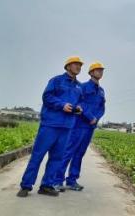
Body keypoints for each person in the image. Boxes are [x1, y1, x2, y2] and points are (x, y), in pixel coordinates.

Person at [17, 56, 85, 197]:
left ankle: (46, 186)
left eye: (80, 65)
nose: (78, 67)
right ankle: (26, 186)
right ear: (68, 66)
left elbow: (80, 103)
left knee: (57, 158)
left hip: (66, 127)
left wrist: (79, 108)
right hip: (51, 124)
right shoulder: (56, 81)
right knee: (38, 155)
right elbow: (47, 97)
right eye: (76, 64)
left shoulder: (79, 87)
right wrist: (62, 105)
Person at [55, 61, 106, 191]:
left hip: (90, 127)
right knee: (69, 151)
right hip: (79, 124)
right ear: (91, 73)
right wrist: (90, 117)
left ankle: (72, 180)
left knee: (80, 154)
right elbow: (79, 103)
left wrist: (96, 119)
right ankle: (57, 180)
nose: (100, 72)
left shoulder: (101, 91)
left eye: (101, 70)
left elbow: (102, 107)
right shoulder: (83, 87)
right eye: (97, 70)